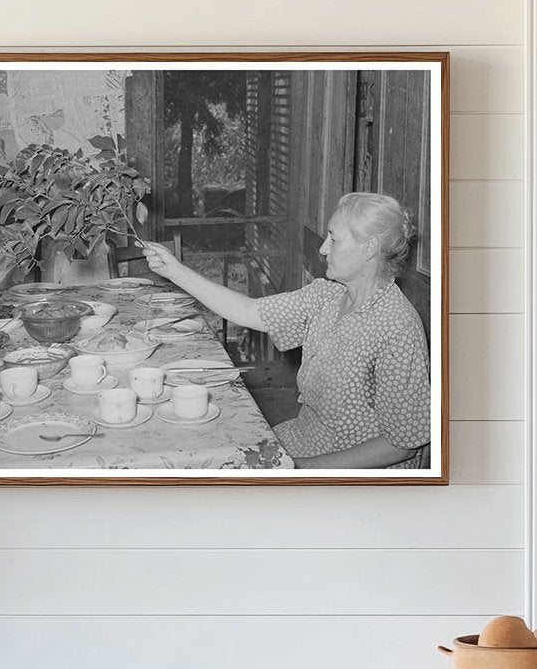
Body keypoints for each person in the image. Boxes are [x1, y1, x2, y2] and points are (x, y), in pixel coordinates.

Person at [142, 192, 431, 469]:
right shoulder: (327, 296)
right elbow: (248, 311)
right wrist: (174, 271)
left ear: (369, 247)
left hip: (347, 467)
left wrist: (303, 468)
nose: (323, 248)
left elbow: (402, 445)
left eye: (334, 239)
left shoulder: (397, 328)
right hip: (305, 439)